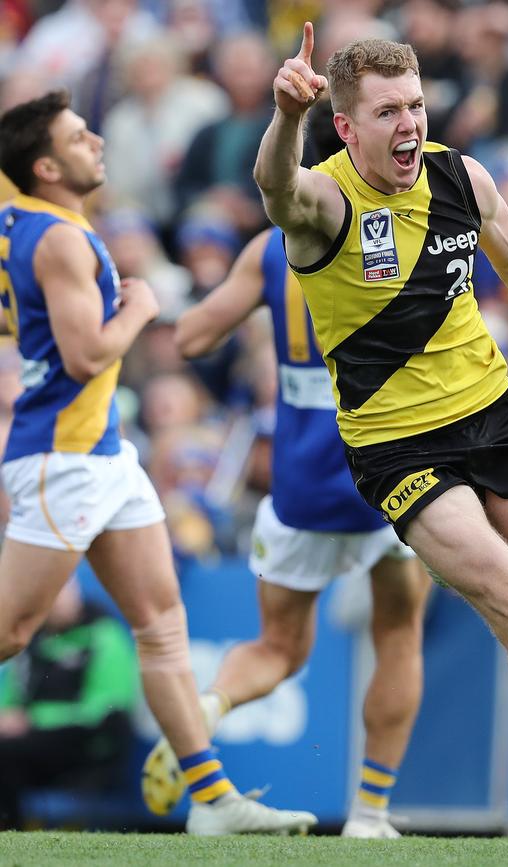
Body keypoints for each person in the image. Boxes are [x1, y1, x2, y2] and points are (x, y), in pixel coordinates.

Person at [252, 23, 508, 854]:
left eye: (417, 105)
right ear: (347, 125)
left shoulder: (460, 177)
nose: (409, 124)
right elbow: (274, 190)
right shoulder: (323, 199)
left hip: (495, 415)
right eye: (388, 111)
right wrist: (286, 117)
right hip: (399, 447)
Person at [0, 90, 315, 837]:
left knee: (163, 624)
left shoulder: (30, 224)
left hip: (103, 454)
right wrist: (141, 307)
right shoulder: (59, 237)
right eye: (79, 137)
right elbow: (85, 355)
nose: (97, 141)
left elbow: (19, 318)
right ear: (46, 166)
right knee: (10, 634)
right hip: (63, 458)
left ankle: (213, 802)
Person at [142, 224, 431, 838]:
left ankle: (204, 709)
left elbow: (191, 337)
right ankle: (370, 813)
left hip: (302, 476)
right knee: (399, 635)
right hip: (391, 464)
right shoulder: (400, 225)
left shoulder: (271, 247)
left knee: (276, 647)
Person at [0, 574, 137, 830]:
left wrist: (34, 720)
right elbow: (10, 701)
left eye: (62, 591)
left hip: (89, 749)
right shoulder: (28, 643)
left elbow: (107, 711)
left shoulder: (104, 636)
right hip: (32, 748)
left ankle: (11, 833)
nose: (56, 601)